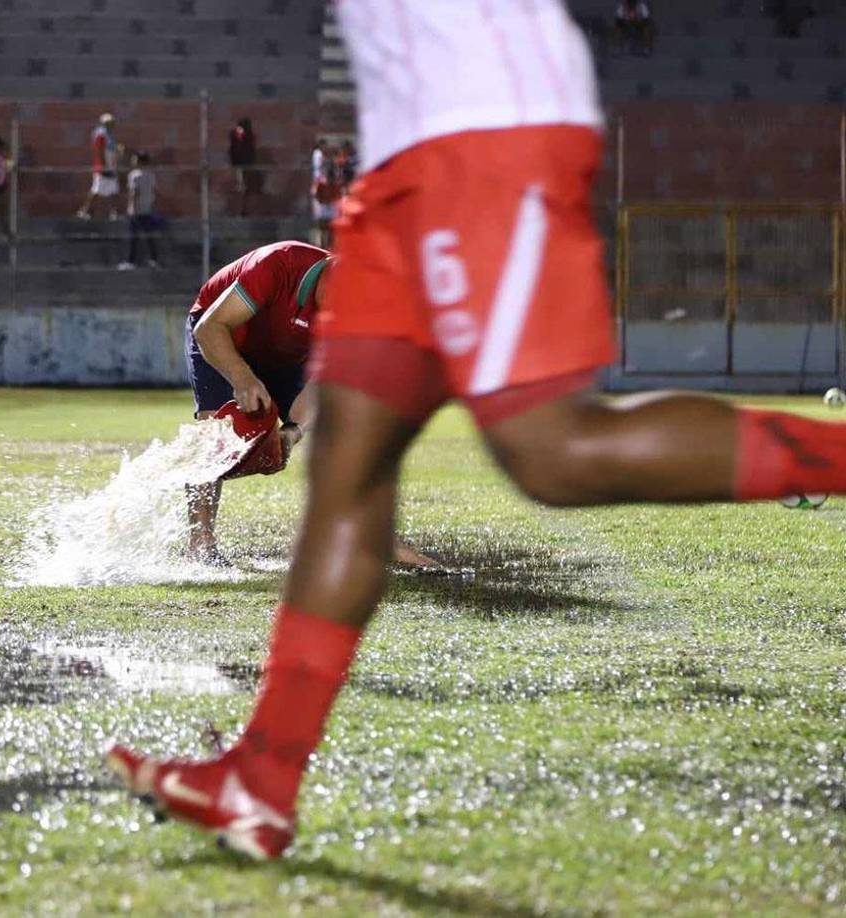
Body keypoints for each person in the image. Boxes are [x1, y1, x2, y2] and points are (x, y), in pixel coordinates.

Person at [108, 0, 846, 861]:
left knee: (552, 449)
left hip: (480, 126)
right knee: (355, 468)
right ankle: (260, 781)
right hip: (420, 153)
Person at [181, 240, 435, 568]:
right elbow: (209, 328)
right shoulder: (278, 265)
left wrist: (293, 431)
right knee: (212, 435)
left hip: (286, 353)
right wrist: (242, 377)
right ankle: (201, 546)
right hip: (221, 332)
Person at [117, 150, 160, 270]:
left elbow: (134, 193)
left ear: (140, 161)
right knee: (149, 236)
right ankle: (153, 259)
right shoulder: (151, 176)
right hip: (147, 209)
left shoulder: (134, 175)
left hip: (136, 211)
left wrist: (132, 208)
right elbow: (154, 192)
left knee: (133, 237)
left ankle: (131, 261)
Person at [76, 112, 120, 221]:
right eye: (110, 123)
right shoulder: (101, 134)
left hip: (110, 165)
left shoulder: (109, 134)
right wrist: (103, 165)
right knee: (96, 190)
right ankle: (85, 210)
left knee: (113, 190)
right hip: (103, 166)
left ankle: (113, 212)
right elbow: (99, 151)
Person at [309, 139, 338, 248]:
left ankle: (328, 246)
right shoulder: (318, 157)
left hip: (329, 200)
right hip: (323, 200)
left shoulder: (333, 179)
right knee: (322, 226)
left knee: (330, 226)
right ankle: (322, 246)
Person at [229, 117, 260, 217]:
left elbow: (250, 153)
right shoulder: (234, 137)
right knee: (239, 189)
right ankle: (238, 212)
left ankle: (245, 211)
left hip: (247, 166)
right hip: (237, 166)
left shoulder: (249, 139)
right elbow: (233, 152)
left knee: (246, 190)